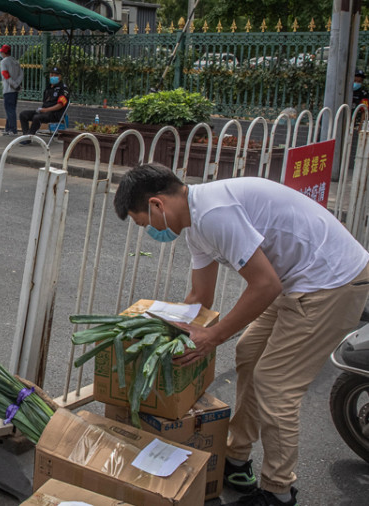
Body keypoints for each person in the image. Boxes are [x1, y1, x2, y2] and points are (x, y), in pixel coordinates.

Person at [113, 163, 369, 506]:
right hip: (299, 279)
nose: (149, 231)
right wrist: (159, 329)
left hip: (331, 282)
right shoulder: (194, 224)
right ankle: (236, 456)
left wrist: (213, 336)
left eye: (144, 223)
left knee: (276, 384)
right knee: (249, 351)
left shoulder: (215, 214)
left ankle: (278, 491)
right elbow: (199, 297)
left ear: (158, 205)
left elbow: (264, 284)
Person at [18, 67, 68, 145]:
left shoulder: (63, 89)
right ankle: (26, 136)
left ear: (60, 76)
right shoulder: (48, 88)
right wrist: (43, 110)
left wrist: (46, 110)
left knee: (37, 117)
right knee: (23, 114)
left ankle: (29, 137)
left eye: (56, 75)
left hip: (55, 114)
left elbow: (60, 105)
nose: (53, 76)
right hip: (44, 112)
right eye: (51, 74)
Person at [0, 44, 23, 136]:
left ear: (4, 53)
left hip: (8, 89)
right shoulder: (15, 61)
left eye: (1, 52)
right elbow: (21, 74)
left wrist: (13, 84)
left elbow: (5, 75)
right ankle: (8, 128)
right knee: (11, 109)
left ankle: (13, 129)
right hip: (15, 90)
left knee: (10, 110)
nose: (0, 53)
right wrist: (17, 84)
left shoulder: (4, 62)